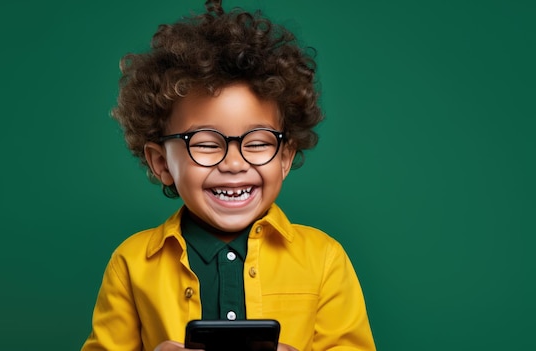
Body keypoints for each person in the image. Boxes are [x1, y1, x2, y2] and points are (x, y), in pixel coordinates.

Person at [82, 0, 375, 350]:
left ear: (285, 156)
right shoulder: (131, 263)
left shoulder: (325, 259)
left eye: (257, 142)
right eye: (205, 144)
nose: (234, 163)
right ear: (161, 163)